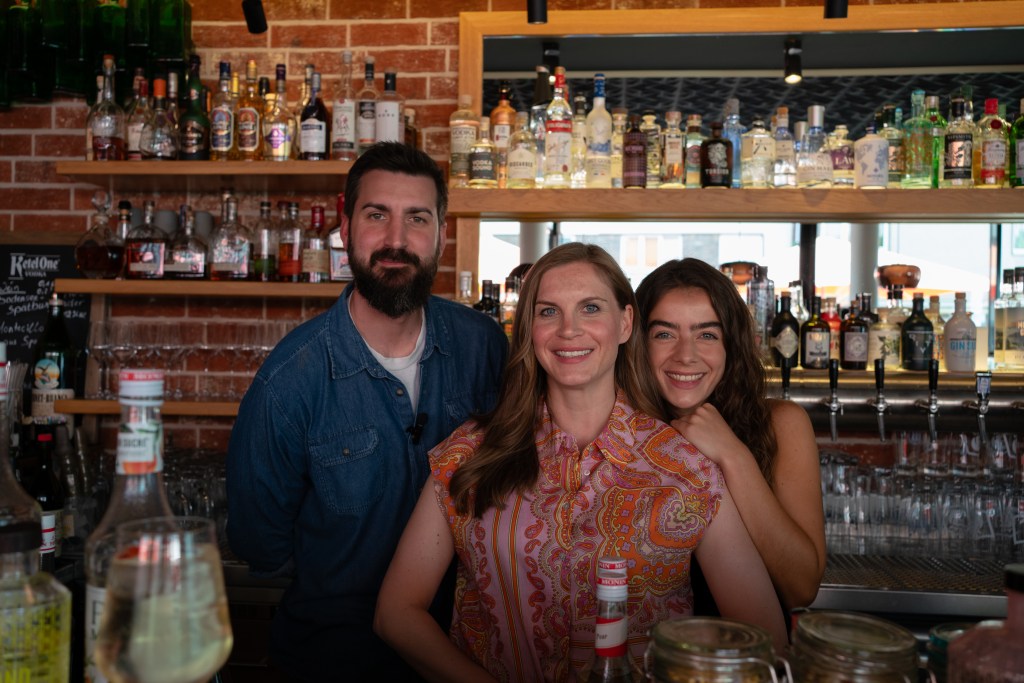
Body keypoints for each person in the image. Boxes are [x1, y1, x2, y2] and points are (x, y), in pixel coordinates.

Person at [374, 243, 787, 683]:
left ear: (625, 323)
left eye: (590, 308)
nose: (569, 330)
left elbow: (766, 639)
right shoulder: (468, 453)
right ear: (529, 328)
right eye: (548, 311)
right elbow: (396, 613)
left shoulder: (687, 468)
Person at [226, 142, 509, 681]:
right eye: (377, 215)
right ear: (345, 227)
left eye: (417, 218)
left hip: (470, 656)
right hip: (334, 664)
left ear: (442, 235)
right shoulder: (289, 381)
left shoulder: (485, 348)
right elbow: (261, 544)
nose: (396, 240)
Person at [635, 258, 825, 613]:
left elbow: (801, 588)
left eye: (707, 335)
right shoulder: (619, 433)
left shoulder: (781, 424)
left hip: (748, 645)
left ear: (731, 345)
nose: (686, 355)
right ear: (636, 344)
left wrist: (733, 454)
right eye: (664, 334)